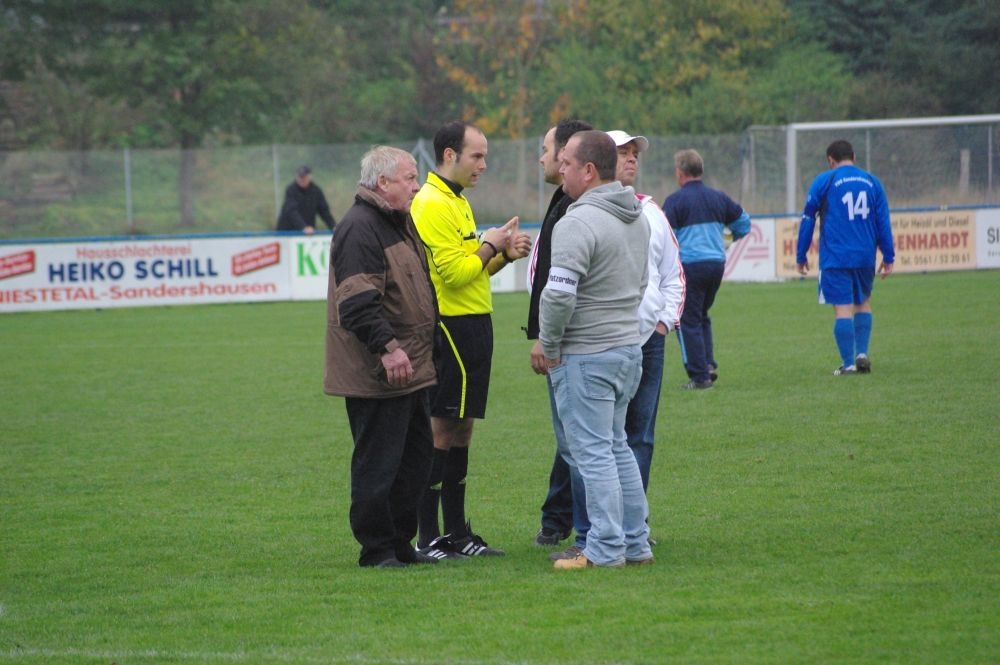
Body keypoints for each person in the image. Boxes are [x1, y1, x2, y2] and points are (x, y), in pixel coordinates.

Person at [410, 120, 533, 559]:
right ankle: (428, 535)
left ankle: (458, 532)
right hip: (451, 327)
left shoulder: (456, 199)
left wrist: (503, 254)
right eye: (476, 155)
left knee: (462, 429)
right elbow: (454, 274)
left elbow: (474, 271)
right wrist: (491, 244)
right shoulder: (431, 203)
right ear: (450, 155)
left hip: (475, 323)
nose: (483, 164)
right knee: (441, 428)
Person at [539, 130, 653, 569]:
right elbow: (641, 284)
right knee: (617, 446)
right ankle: (635, 543)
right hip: (627, 348)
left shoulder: (577, 222)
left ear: (588, 171)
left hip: (586, 353)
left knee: (593, 453)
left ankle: (604, 548)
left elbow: (558, 295)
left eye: (566, 162)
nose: (559, 167)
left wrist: (550, 343)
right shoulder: (636, 217)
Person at [324, 146, 438, 568]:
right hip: (379, 372)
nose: (417, 186)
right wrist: (389, 350)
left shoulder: (397, 222)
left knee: (414, 460)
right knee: (379, 463)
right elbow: (357, 303)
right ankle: (376, 549)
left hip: (413, 367)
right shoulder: (359, 228)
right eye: (410, 178)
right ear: (383, 182)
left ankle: (401, 543)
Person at [525, 119, 593, 549]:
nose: (542, 158)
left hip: (573, 344)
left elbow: (564, 287)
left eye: (547, 149)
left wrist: (548, 339)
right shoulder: (565, 198)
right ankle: (580, 525)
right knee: (581, 441)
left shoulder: (577, 208)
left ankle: (592, 535)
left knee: (580, 444)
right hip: (573, 341)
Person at [796, 139, 895, 375]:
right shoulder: (872, 182)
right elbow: (883, 221)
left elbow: (808, 219)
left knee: (842, 309)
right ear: (854, 156)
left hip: (836, 257)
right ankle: (862, 353)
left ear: (831, 161)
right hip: (865, 256)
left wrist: (801, 254)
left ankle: (849, 364)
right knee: (863, 302)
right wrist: (888, 254)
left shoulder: (825, 181)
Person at [663, 149, 750, 390]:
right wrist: (730, 239)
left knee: (686, 319)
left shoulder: (675, 201)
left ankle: (700, 377)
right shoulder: (718, 197)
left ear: (680, 173)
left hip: (690, 266)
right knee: (701, 314)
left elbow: (664, 237)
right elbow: (744, 223)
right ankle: (707, 364)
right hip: (716, 265)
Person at [276, 165, 336, 234]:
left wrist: (333, 226)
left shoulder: (316, 191)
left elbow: (324, 211)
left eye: (304, 177)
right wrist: (303, 227)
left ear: (310, 177)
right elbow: (291, 211)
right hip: (288, 232)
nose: (302, 179)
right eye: (300, 177)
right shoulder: (291, 190)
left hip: (307, 233)